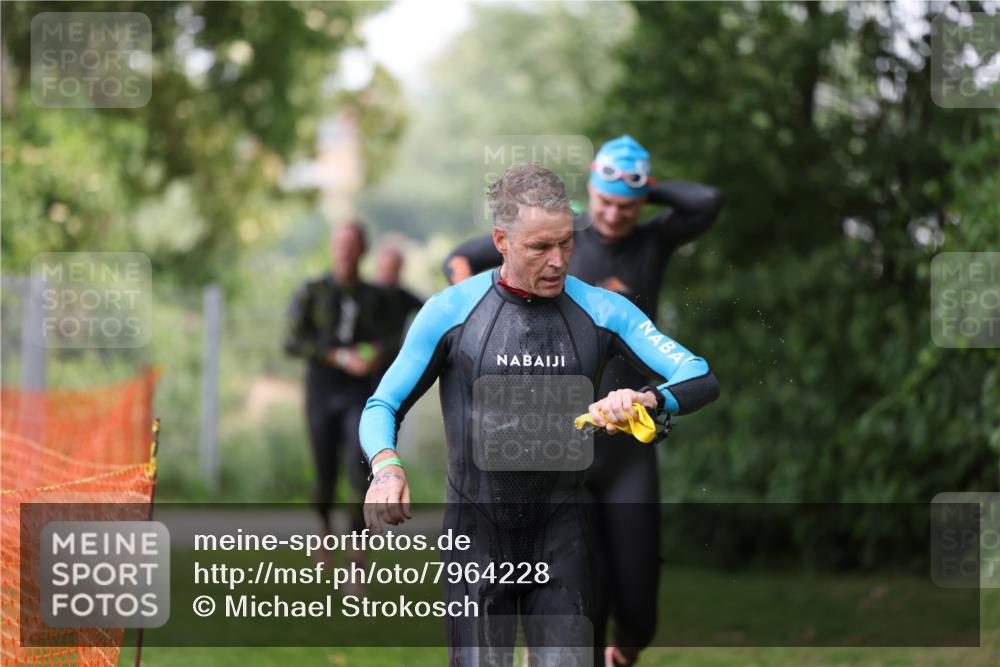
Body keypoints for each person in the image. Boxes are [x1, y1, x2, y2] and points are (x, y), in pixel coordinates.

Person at [360, 164, 720, 666]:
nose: (558, 262)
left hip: (563, 538)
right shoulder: (451, 312)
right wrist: (386, 468)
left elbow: (698, 374)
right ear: (501, 240)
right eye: (539, 248)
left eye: (566, 244)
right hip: (476, 540)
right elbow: (384, 404)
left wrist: (646, 400)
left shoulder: (603, 309)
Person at [284, 223, 386, 545]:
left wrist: (371, 353)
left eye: (351, 244)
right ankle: (324, 532)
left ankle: (357, 556)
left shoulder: (375, 297)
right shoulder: (313, 292)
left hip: (359, 392)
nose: (345, 250)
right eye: (340, 244)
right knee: (324, 474)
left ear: (362, 250)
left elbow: (391, 337)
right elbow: (292, 341)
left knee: (359, 471)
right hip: (321, 390)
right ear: (332, 248)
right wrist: (339, 357)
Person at [372, 240, 424, 376]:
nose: (389, 277)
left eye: (393, 270)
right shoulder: (365, 295)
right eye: (386, 270)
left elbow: (430, 309)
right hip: (366, 365)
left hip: (393, 364)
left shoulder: (405, 297)